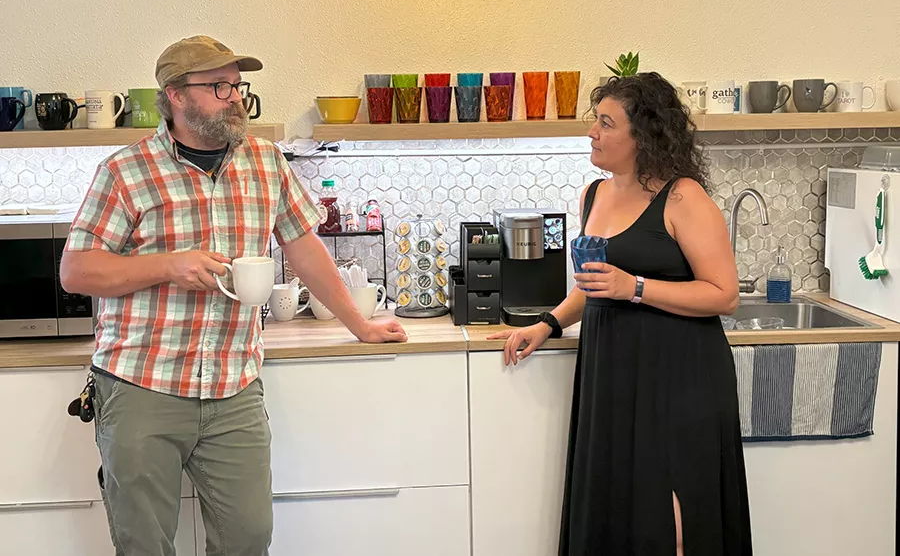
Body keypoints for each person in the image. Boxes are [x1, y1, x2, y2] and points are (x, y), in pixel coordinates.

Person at [60, 35, 407, 556]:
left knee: (248, 538)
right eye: (218, 85)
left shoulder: (266, 162)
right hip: (141, 385)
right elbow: (76, 271)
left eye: (238, 85)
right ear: (176, 95)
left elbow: (305, 247)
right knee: (143, 543)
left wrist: (360, 323)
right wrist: (167, 266)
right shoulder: (124, 171)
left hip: (234, 386)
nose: (235, 97)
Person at [488, 72, 752, 555]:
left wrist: (636, 287)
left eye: (606, 123)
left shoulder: (682, 197)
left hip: (679, 375)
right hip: (611, 372)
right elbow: (593, 286)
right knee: (621, 507)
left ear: (643, 135)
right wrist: (547, 324)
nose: (593, 132)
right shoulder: (594, 195)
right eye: (595, 120)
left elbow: (724, 295)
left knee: (672, 512)